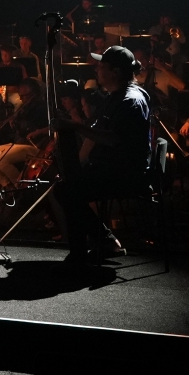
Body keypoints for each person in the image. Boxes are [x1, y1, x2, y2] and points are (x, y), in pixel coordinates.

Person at [50, 46, 152, 263]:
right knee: (66, 186)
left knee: (68, 191)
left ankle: (96, 245)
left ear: (115, 72)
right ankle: (98, 243)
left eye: (101, 66)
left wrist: (76, 126)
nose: (96, 69)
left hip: (125, 173)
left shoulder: (130, 101)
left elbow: (113, 139)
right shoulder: (115, 96)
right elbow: (98, 128)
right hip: (112, 168)